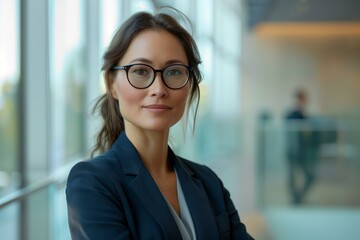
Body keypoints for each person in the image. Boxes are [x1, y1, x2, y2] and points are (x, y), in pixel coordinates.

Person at [66, 7, 253, 240]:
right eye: (141, 71)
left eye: (174, 72)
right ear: (112, 84)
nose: (159, 89)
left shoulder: (208, 182)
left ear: (189, 85)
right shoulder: (93, 183)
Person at [285, 88, 319, 205]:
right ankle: (295, 200)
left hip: (303, 153)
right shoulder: (292, 115)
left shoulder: (305, 116)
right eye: (302, 99)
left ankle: (298, 198)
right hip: (293, 152)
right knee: (292, 179)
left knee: (310, 176)